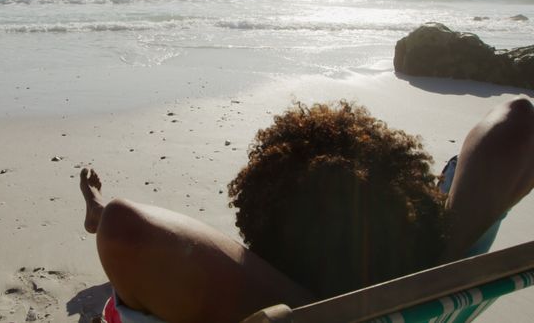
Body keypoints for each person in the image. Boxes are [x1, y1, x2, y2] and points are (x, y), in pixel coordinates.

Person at [80, 98, 534, 323]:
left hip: (189, 292)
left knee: (109, 225)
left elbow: (126, 229)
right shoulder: (448, 276)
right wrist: (439, 257)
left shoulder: (250, 304)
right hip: (423, 267)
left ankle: (92, 212)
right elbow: (518, 118)